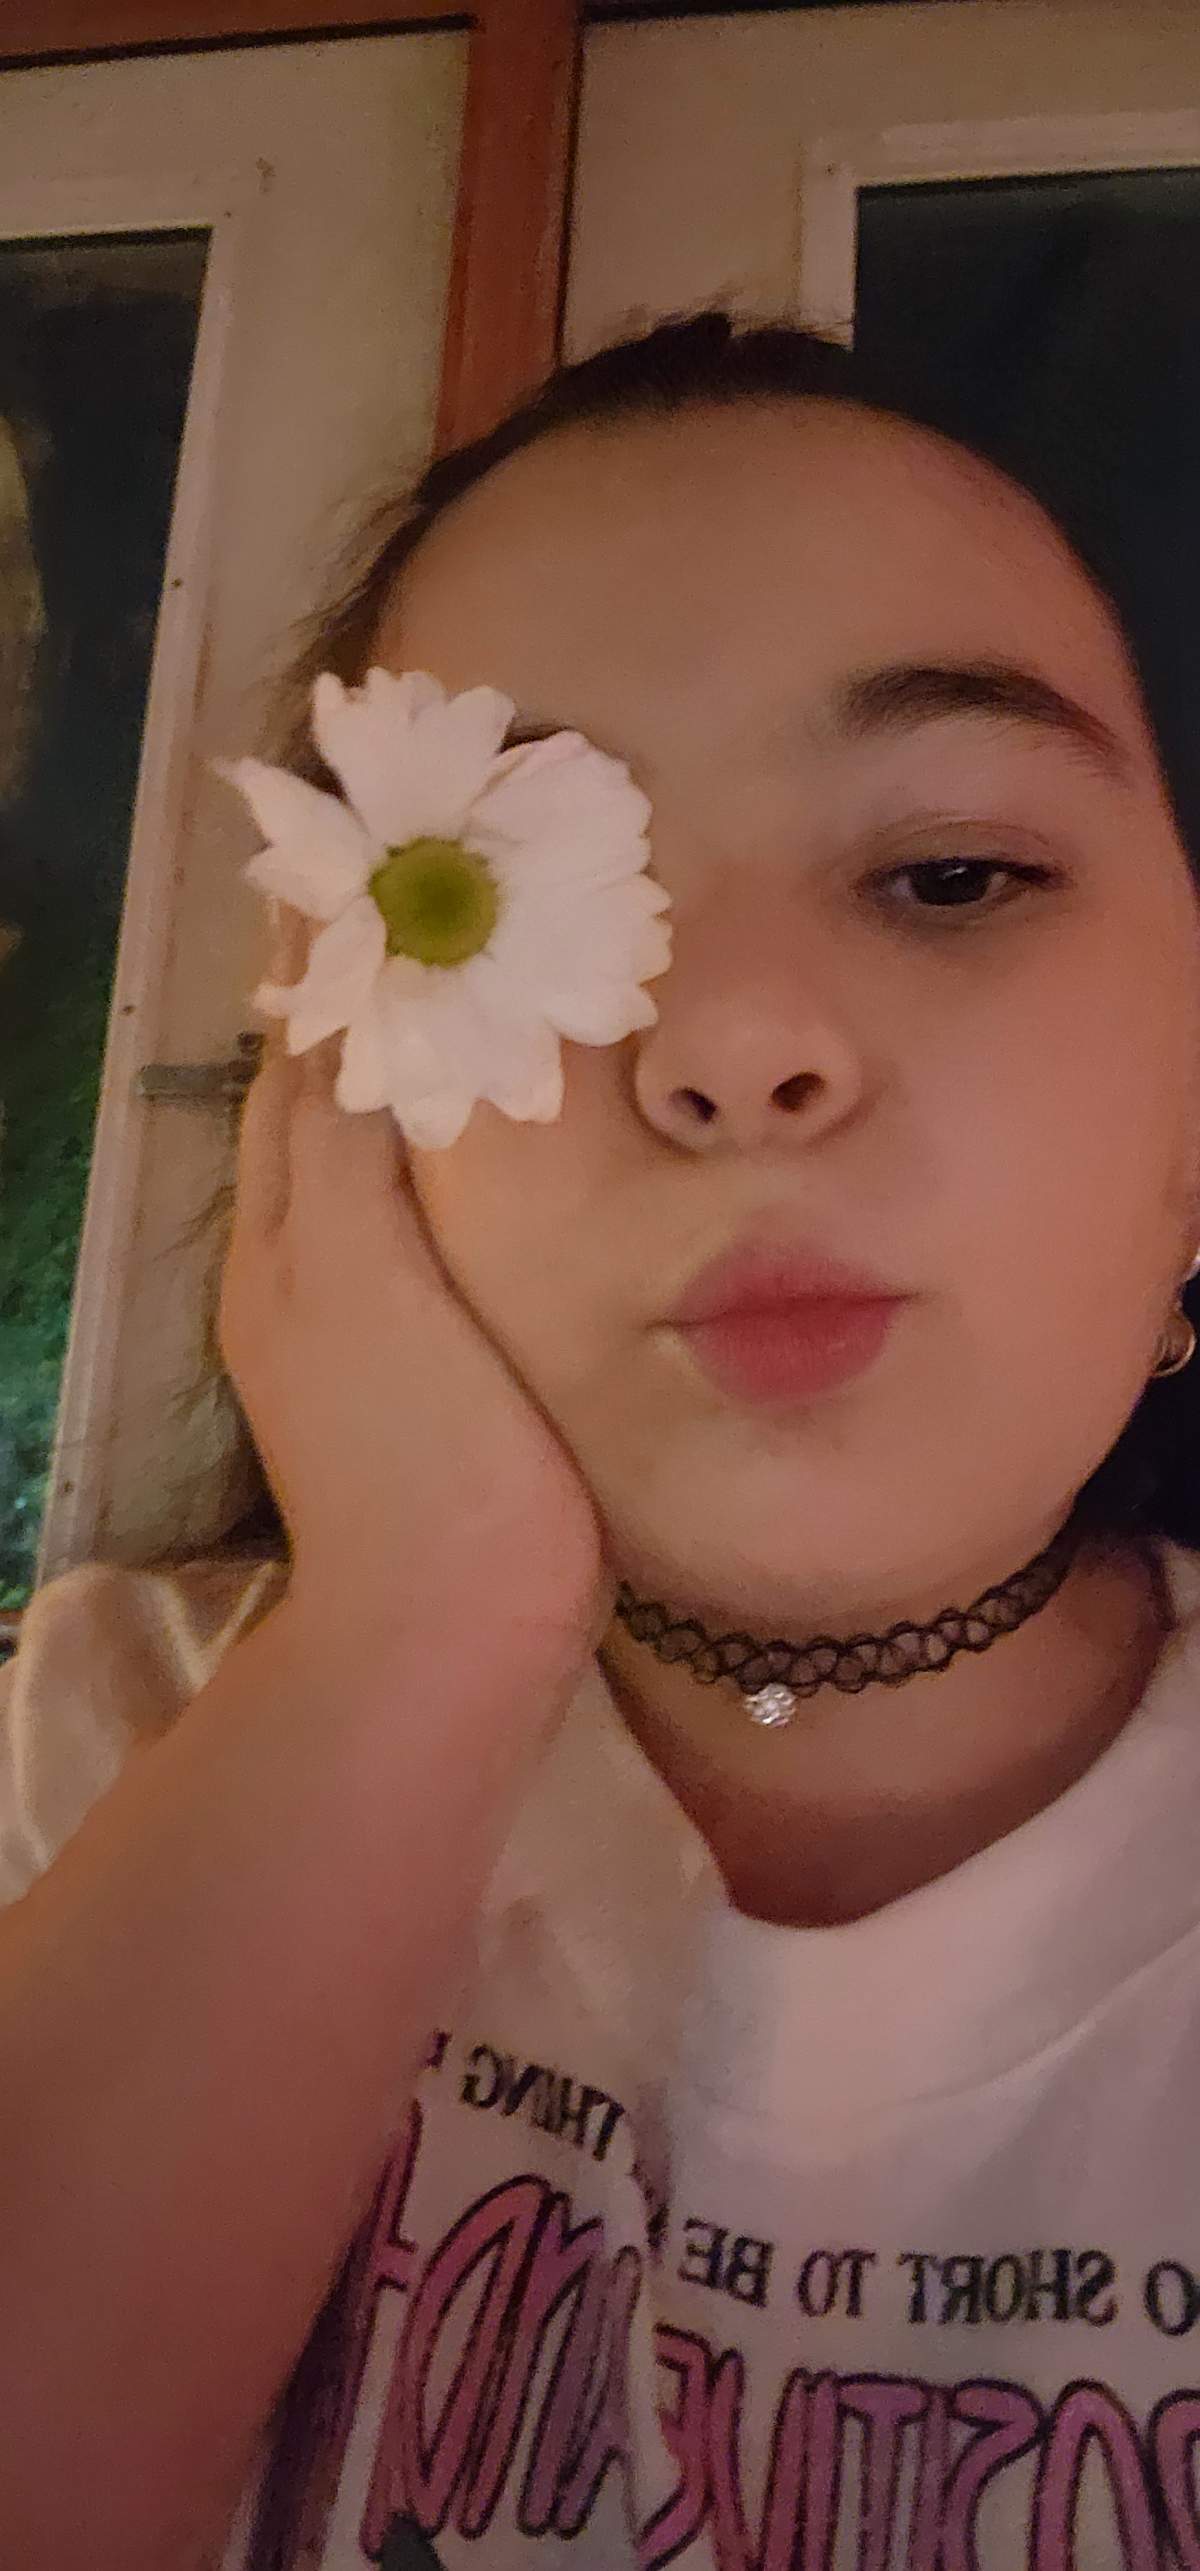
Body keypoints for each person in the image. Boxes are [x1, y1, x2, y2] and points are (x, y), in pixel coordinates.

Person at [2, 310, 1200, 2571]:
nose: (732, 1044)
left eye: (951, 873)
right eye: (499, 908)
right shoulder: (87, 1758)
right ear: (334, 1091)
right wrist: (414, 1625)